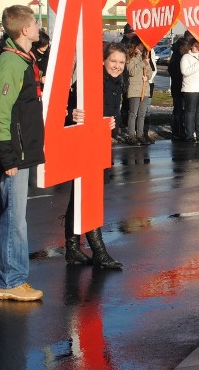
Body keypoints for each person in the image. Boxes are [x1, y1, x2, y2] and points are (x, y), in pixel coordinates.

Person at [0, 5, 45, 301]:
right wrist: (7, 157)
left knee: (3, 214)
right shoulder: (11, 63)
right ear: (24, 30)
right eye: (35, 22)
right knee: (15, 219)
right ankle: (11, 281)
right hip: (14, 153)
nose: (39, 26)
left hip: (16, 150)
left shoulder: (20, 57)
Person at [63, 42, 126, 270]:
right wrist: (73, 113)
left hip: (100, 146)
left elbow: (114, 115)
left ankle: (71, 248)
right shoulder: (89, 82)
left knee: (80, 197)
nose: (117, 66)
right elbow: (67, 109)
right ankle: (99, 251)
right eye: (113, 62)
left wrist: (113, 123)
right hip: (82, 145)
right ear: (103, 61)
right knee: (88, 196)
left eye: (121, 62)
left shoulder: (117, 83)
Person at [168, 31, 193, 140]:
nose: (188, 49)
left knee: (183, 111)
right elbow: (175, 73)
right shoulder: (177, 58)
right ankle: (176, 131)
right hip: (178, 88)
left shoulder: (183, 57)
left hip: (184, 88)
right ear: (181, 47)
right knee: (178, 110)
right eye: (186, 47)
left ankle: (181, 130)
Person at [125, 39, 151, 144]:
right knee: (133, 114)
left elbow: (149, 70)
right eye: (141, 45)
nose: (142, 47)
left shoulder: (144, 57)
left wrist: (147, 77)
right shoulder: (130, 58)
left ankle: (140, 135)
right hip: (135, 89)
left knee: (142, 114)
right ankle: (131, 135)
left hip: (145, 89)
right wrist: (142, 63)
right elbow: (131, 71)